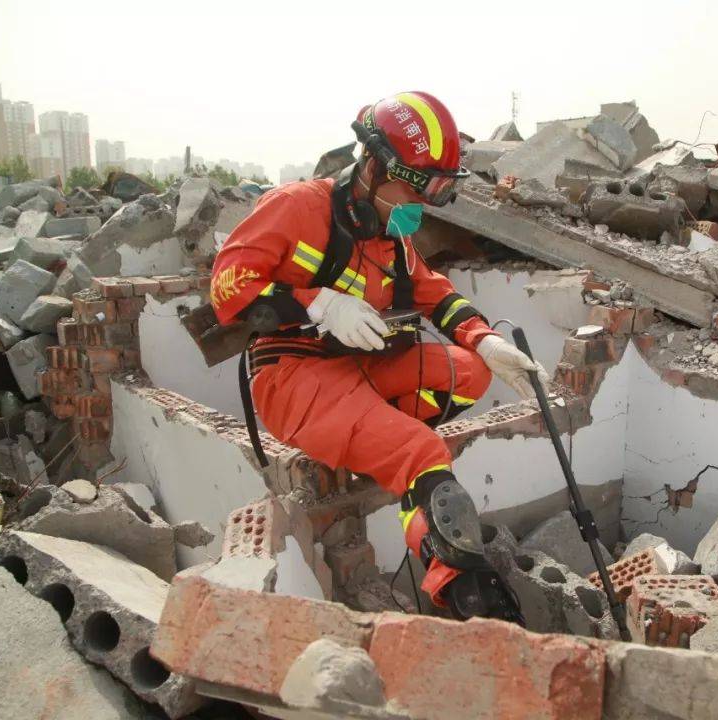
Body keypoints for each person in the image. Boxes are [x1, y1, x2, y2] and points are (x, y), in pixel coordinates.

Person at [210, 91, 549, 621]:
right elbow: (227, 290)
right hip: (293, 372)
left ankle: (374, 442)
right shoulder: (298, 207)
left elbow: (433, 291)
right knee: (422, 451)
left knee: (470, 373)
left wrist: (484, 340)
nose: (421, 208)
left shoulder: (390, 232)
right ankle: (467, 596)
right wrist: (317, 304)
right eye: (415, 191)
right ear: (372, 166)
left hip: (362, 364)